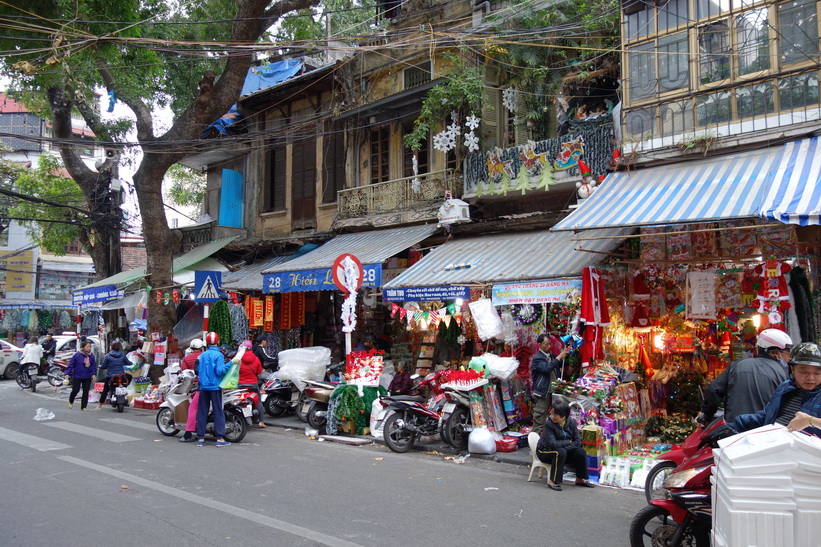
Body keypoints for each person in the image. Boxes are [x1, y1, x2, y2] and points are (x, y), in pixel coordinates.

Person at [698, 328, 793, 424]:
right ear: (775, 353)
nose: (789, 358)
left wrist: (706, 415)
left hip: (734, 430)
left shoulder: (736, 366)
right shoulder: (783, 374)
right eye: (787, 353)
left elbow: (714, 390)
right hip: (765, 432)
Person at [734, 343, 821, 437]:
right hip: (772, 444)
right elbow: (766, 415)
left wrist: (810, 421)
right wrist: (734, 424)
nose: (810, 378)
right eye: (804, 372)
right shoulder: (784, 387)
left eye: (817, 373)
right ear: (792, 369)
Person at [536, 400, 595, 491]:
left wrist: (567, 447)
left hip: (563, 451)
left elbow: (577, 441)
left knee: (580, 451)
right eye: (552, 414)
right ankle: (553, 480)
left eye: (555, 415)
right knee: (560, 452)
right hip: (545, 451)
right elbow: (553, 444)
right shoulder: (549, 424)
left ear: (564, 416)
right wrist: (568, 442)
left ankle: (580, 479)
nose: (553, 416)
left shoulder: (571, 423)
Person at [195, 332, 232, 447]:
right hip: (215, 386)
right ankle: (220, 438)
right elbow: (220, 371)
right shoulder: (219, 355)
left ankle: (200, 438)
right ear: (218, 341)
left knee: (202, 411)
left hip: (203, 386)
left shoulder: (203, 355)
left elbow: (198, 371)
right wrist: (231, 363)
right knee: (218, 411)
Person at [530, 333, 569, 435]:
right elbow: (547, 368)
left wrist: (567, 353)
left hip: (554, 392)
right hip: (543, 393)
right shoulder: (537, 358)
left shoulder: (552, 356)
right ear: (539, 344)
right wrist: (560, 356)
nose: (549, 346)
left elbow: (563, 363)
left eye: (550, 344)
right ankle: (534, 446)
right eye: (546, 344)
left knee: (556, 417)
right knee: (539, 419)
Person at [179, 339, 204, 442]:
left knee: (193, 408)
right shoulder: (205, 357)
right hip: (209, 385)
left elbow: (184, 373)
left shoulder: (187, 359)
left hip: (195, 386)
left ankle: (188, 432)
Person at [238, 340, 266, 428]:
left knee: (238, 401)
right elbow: (259, 371)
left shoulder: (239, 358)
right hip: (253, 384)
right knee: (259, 401)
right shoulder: (256, 359)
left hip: (241, 385)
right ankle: (261, 421)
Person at [97, 342, 133, 409]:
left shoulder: (108, 356)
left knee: (105, 390)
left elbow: (103, 366)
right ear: (119, 348)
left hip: (111, 376)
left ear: (111, 348)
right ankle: (124, 389)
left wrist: (99, 366)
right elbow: (129, 363)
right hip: (122, 375)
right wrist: (130, 363)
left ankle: (100, 405)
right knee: (129, 377)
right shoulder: (122, 355)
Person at [66, 340, 97, 411]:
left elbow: (93, 366)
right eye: (87, 346)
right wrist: (67, 373)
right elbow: (71, 365)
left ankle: (84, 406)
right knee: (75, 390)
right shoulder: (77, 355)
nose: (89, 348)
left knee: (86, 392)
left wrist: (94, 374)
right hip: (77, 375)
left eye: (89, 346)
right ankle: (71, 400)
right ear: (83, 347)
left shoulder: (91, 356)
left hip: (87, 375)